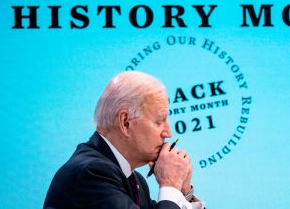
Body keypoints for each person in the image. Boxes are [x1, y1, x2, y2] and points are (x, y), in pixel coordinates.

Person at [44, 71, 205, 209]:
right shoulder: (92, 174)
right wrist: (170, 184)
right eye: (159, 121)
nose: (168, 133)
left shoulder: (135, 181)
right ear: (125, 122)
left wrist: (183, 190)